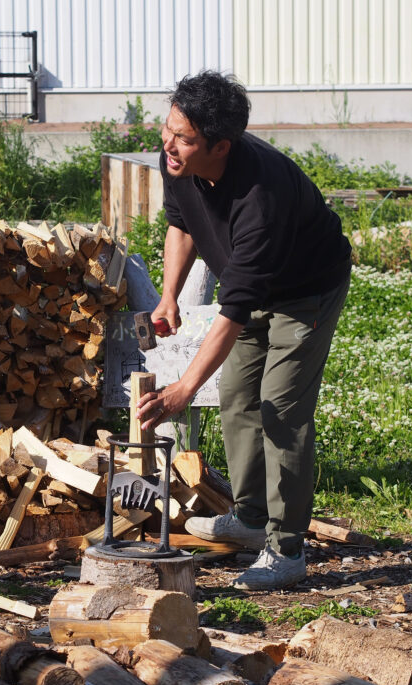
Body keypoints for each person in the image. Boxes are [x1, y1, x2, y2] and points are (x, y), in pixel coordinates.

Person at [135, 70, 352, 590]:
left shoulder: (261, 196)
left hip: (306, 292)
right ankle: (251, 519)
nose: (168, 143)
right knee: (236, 396)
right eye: (167, 129)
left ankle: (288, 548)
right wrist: (169, 293)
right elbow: (181, 223)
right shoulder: (178, 160)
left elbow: (233, 312)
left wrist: (184, 389)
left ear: (221, 146)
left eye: (183, 138)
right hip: (250, 286)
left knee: (281, 409)